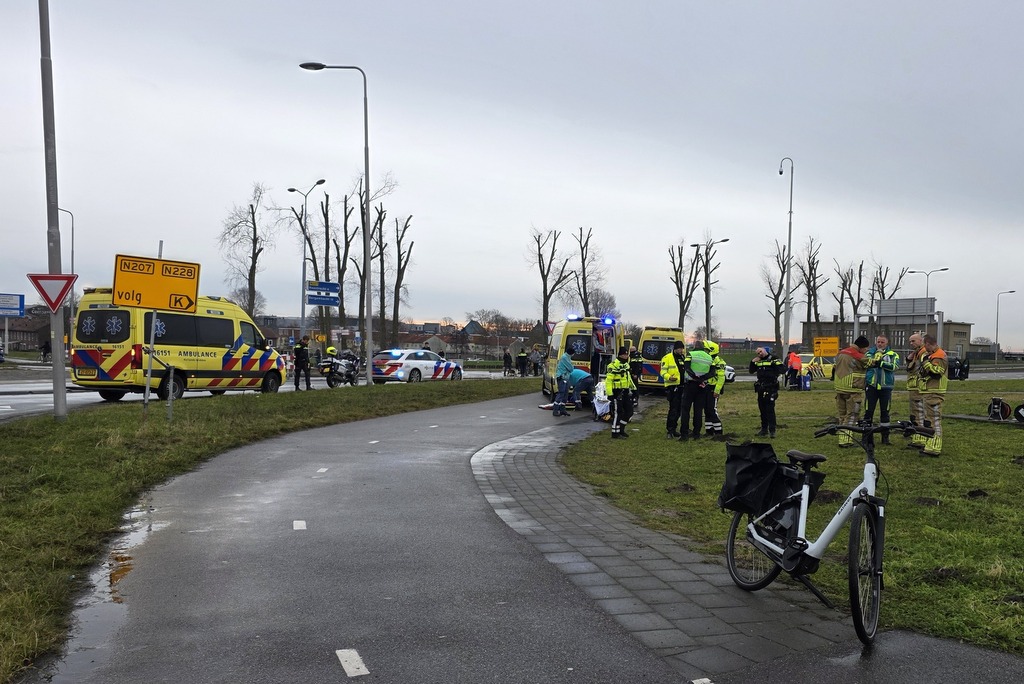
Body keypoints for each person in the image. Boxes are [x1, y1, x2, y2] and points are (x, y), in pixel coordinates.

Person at [862, 335, 900, 444]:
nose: (880, 344)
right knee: (868, 412)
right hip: (872, 387)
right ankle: (867, 438)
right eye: (878, 341)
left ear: (886, 343)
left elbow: (895, 367)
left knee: (885, 413)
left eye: (882, 342)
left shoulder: (892, 354)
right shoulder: (869, 353)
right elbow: (865, 363)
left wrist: (881, 363)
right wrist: (875, 360)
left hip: (886, 388)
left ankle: (885, 438)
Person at [833, 335, 870, 447]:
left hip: (840, 388)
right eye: (865, 349)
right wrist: (877, 356)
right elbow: (870, 363)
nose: (866, 351)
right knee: (852, 414)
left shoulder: (841, 353)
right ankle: (846, 440)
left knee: (842, 415)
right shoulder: (857, 355)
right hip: (852, 388)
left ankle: (842, 437)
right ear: (861, 347)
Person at [677, 341, 714, 441]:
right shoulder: (709, 357)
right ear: (703, 348)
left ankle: (684, 435)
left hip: (691, 384)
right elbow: (712, 372)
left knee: (685, 410)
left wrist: (695, 377)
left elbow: (687, 367)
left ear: (695, 347)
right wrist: (702, 378)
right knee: (698, 411)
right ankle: (696, 434)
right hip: (702, 386)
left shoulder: (691, 354)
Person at [918, 334, 948, 457]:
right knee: (929, 420)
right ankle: (930, 445)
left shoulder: (938, 356)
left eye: (925, 345)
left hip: (935, 391)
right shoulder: (934, 355)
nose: (925, 348)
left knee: (934, 420)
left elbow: (937, 372)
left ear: (929, 344)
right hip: (930, 391)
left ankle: (935, 447)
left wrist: (925, 363)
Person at [749, 346, 784, 437]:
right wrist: (752, 362)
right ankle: (764, 430)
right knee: (762, 410)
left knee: (770, 409)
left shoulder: (773, 359)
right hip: (761, 388)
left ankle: (772, 430)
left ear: (765, 350)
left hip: (771, 387)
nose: (760, 354)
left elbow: (783, 369)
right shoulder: (758, 361)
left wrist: (773, 368)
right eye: (758, 353)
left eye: (760, 351)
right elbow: (751, 371)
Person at [605, 346, 636, 438]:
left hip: (626, 391)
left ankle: (621, 429)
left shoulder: (626, 365)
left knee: (629, 411)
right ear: (620, 355)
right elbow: (609, 381)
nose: (626, 356)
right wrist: (610, 394)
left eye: (627, 354)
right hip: (617, 392)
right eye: (624, 354)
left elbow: (628, 378)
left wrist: (633, 389)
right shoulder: (613, 365)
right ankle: (615, 433)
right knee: (618, 413)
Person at [905, 333, 928, 448]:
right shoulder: (916, 353)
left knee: (918, 413)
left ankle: (920, 438)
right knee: (916, 413)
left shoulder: (923, 353)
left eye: (913, 341)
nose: (911, 343)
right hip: (915, 388)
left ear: (921, 340)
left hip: (919, 388)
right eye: (910, 341)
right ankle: (918, 436)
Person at [660, 341, 685, 438]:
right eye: (680, 349)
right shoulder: (667, 358)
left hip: (682, 387)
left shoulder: (682, 357)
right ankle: (669, 430)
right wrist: (669, 377)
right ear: (675, 348)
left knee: (679, 410)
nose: (681, 350)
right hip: (673, 387)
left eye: (682, 349)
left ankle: (674, 429)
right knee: (673, 409)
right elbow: (662, 372)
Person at [703, 340, 727, 438]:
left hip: (714, 388)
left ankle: (718, 432)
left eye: (706, 350)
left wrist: (717, 390)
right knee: (707, 410)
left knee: (712, 409)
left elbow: (721, 378)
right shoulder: (708, 359)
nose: (704, 351)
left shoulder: (719, 362)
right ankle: (709, 431)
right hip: (707, 387)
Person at [552, 351, 574, 417]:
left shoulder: (567, 357)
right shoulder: (565, 358)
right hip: (562, 378)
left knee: (565, 394)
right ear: (572, 353)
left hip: (565, 378)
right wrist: (571, 367)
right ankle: (555, 410)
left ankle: (562, 410)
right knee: (561, 393)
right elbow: (571, 368)